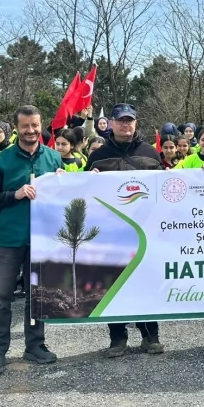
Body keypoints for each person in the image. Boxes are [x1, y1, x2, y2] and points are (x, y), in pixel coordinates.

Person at [0, 105, 63, 376]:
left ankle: (35, 345)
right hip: (8, 239)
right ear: (16, 128)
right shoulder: (2, 160)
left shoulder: (53, 158)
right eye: (25, 126)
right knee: (2, 298)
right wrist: (14, 195)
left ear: (41, 126)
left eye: (35, 125)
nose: (31, 131)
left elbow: (64, 199)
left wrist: (67, 184)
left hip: (41, 240)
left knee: (36, 297)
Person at [86, 104, 164, 357]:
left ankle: (150, 336)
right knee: (113, 284)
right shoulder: (98, 156)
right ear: (111, 123)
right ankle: (117, 339)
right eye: (120, 121)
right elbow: (85, 193)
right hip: (111, 234)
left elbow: (162, 191)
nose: (125, 125)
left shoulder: (150, 153)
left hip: (145, 232)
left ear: (136, 123)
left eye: (130, 120)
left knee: (145, 284)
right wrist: (89, 179)